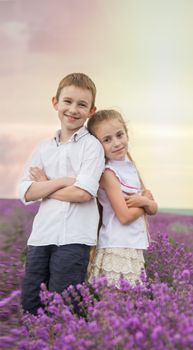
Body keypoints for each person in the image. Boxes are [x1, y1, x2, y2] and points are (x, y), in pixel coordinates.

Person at [19, 73, 105, 314]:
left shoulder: (92, 146)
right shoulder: (43, 148)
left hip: (74, 239)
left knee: (65, 309)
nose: (73, 109)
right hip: (40, 237)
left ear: (91, 110)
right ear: (55, 102)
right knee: (31, 304)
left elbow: (83, 194)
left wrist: (45, 185)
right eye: (67, 101)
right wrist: (63, 182)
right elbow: (25, 191)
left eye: (82, 104)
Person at [86, 109, 158, 286]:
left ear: (127, 133)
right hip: (116, 247)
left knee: (127, 308)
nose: (116, 143)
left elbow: (154, 208)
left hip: (132, 246)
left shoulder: (130, 167)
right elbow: (124, 217)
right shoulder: (109, 173)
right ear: (98, 145)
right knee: (113, 307)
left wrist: (147, 202)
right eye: (107, 140)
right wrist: (144, 203)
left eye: (119, 135)